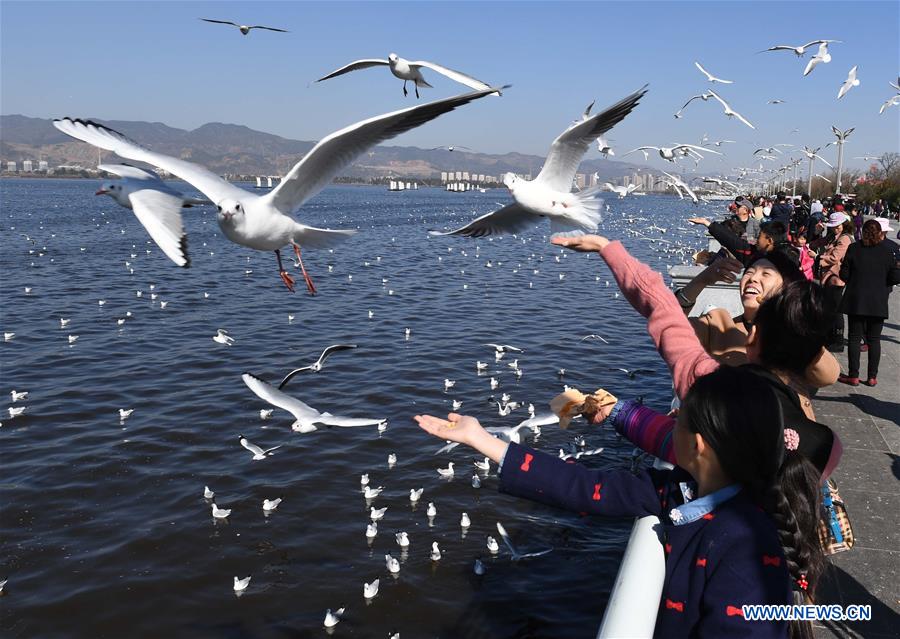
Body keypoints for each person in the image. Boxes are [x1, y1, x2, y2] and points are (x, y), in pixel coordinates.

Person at [415, 366, 825, 639]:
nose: (670, 426)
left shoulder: (745, 544)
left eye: (676, 420)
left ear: (696, 444)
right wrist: (482, 440)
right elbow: (584, 487)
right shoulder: (679, 489)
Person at [554, 235, 841, 423]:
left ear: (786, 288)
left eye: (766, 274)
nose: (753, 278)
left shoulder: (795, 335)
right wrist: (702, 279)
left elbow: (827, 375)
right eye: (750, 272)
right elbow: (669, 322)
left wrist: (791, 321)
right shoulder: (719, 321)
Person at [837, 219, 900, 386]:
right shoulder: (887, 252)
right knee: (874, 339)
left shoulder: (854, 248)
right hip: (878, 300)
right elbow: (895, 277)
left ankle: (853, 375)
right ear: (880, 233)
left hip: (856, 299)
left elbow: (844, 274)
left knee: (854, 337)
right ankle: (872, 376)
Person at [688, 216, 797, 268]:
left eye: (759, 236)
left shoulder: (786, 259)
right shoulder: (753, 252)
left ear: (769, 241)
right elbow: (731, 240)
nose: (757, 240)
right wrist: (707, 223)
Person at [814, 213, 854, 351]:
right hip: (827, 277)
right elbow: (816, 243)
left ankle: (838, 340)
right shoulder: (832, 236)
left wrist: (818, 257)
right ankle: (830, 337)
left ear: (844, 225)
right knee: (829, 308)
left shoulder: (845, 239)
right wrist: (816, 233)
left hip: (837, 278)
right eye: (833, 226)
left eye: (837, 226)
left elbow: (835, 258)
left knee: (836, 310)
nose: (834, 229)